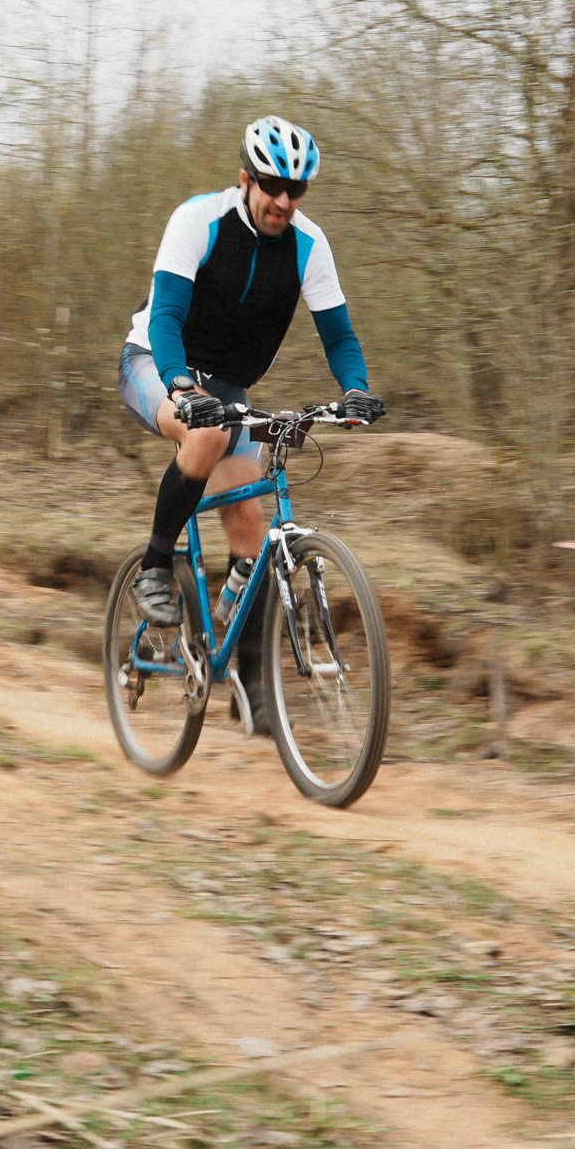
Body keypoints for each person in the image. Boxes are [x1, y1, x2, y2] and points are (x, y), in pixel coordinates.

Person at [116, 115, 385, 712]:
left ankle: (255, 691)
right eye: (272, 186)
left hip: (228, 386)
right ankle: (156, 567)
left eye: (296, 191)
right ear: (246, 180)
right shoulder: (198, 221)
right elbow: (164, 320)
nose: (283, 201)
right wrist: (181, 386)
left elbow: (339, 337)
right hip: (156, 364)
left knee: (252, 532)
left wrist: (356, 390)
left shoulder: (309, 245)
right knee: (207, 434)